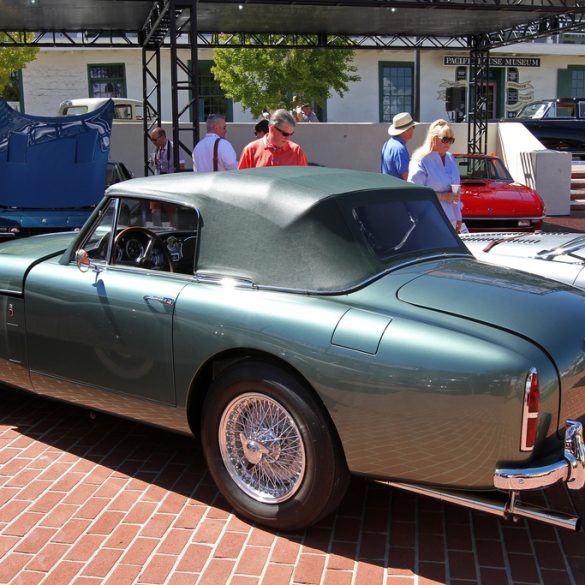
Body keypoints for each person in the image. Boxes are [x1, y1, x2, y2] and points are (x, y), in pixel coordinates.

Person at [407, 118, 466, 233]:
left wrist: (458, 216)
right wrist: (443, 196)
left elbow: (455, 192)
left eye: (451, 140)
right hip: (428, 220)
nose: (448, 143)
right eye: (445, 139)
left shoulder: (450, 158)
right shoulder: (420, 160)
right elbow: (414, 193)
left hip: (451, 220)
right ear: (434, 139)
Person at [238, 109, 308, 169]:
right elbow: (241, 180)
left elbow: (304, 181)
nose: (288, 138)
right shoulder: (251, 150)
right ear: (271, 128)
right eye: (285, 134)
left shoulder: (297, 151)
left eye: (291, 134)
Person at [380, 112, 417, 179]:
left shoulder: (387, 144)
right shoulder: (399, 149)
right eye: (413, 127)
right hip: (398, 188)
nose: (413, 129)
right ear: (406, 130)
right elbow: (407, 178)